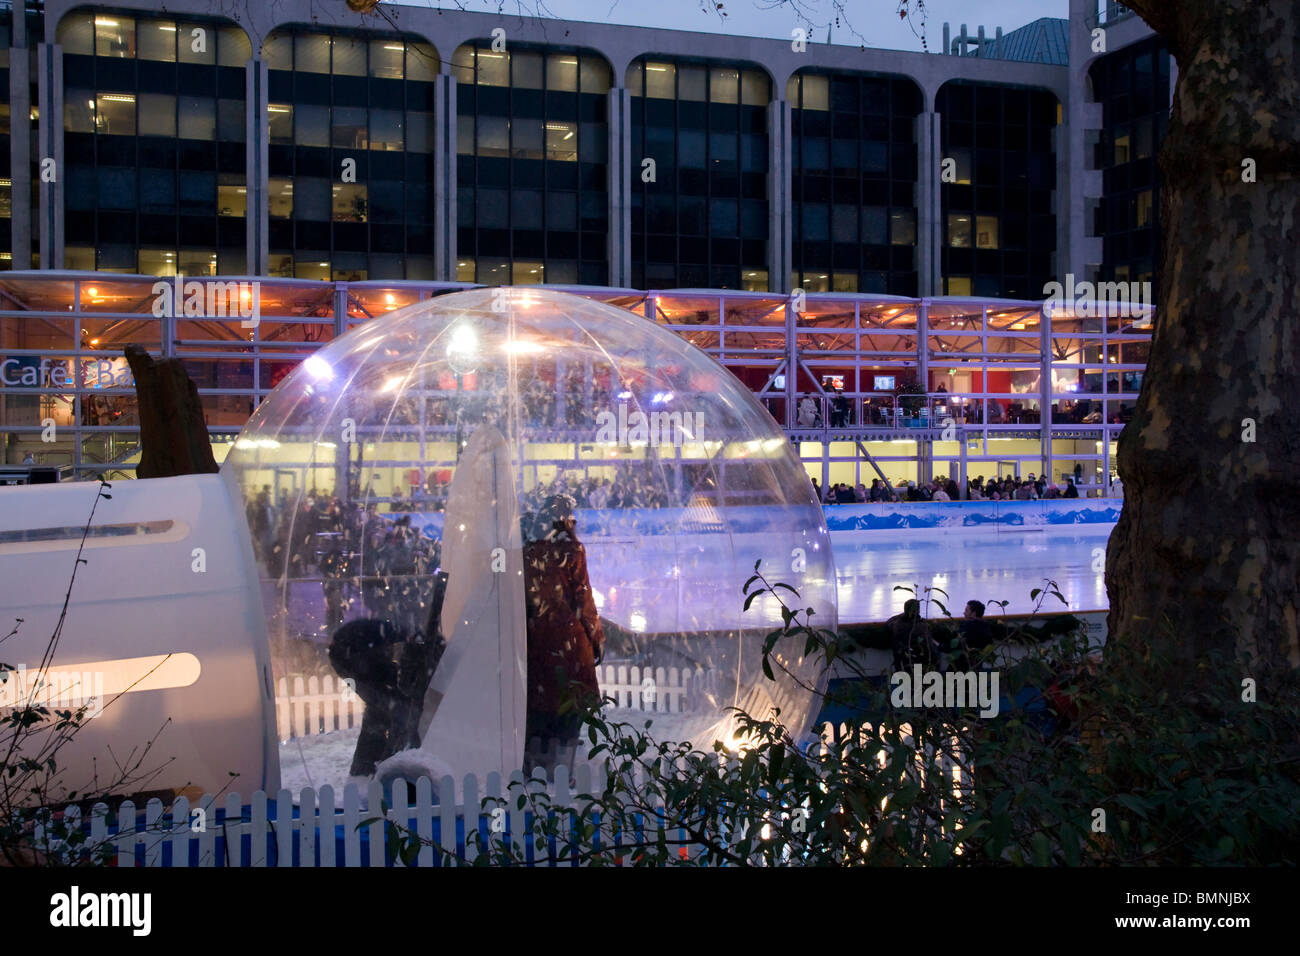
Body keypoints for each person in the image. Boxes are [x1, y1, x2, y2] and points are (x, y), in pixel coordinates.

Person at [522, 495, 605, 775]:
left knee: (538, 706)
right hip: (568, 642)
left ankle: (534, 764)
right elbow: (584, 599)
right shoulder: (572, 549)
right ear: (566, 518)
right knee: (569, 707)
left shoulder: (528, 549)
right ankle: (562, 769)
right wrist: (596, 639)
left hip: (535, 639)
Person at [888, 599, 937, 672]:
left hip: (901, 666)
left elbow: (889, 622)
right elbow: (931, 651)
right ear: (918, 610)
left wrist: (903, 615)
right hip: (919, 667)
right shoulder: (922, 627)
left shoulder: (896, 625)